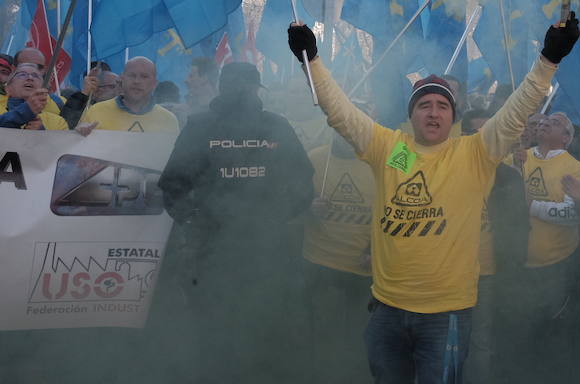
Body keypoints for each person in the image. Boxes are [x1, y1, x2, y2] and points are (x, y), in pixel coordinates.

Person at [287, 11, 579, 384]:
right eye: (424, 105)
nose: (433, 111)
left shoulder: (473, 153)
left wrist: (548, 60)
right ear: (411, 116)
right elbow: (341, 114)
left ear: (453, 116)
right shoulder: (394, 152)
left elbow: (517, 111)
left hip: (447, 314)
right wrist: (311, 62)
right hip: (387, 309)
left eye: (442, 106)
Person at [157, 61, 314, 383]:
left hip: (265, 254)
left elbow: (303, 183)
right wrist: (196, 220)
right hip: (210, 255)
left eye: (247, 86)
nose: (242, 92)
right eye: (237, 85)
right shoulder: (200, 126)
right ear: (223, 87)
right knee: (212, 334)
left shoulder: (277, 127)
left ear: (257, 89)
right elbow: (172, 184)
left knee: (263, 329)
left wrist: (275, 217)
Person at [514, 112, 580, 382]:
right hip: (518, 264)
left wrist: (531, 206)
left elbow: (573, 215)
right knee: (520, 328)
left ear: (567, 138)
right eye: (544, 120)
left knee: (551, 330)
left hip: (555, 267)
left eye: (556, 122)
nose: (546, 122)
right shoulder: (520, 157)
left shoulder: (574, 168)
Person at [459, 109, 527, 384]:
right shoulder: (445, 166)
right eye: (474, 133)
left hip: (487, 274)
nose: (482, 140)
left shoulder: (509, 177)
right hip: (446, 273)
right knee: (445, 340)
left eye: (487, 133)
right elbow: (396, 164)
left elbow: (519, 229)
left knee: (481, 341)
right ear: (463, 136)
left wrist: (514, 270)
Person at [303, 130, 376, 384]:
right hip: (322, 264)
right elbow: (292, 199)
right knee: (326, 335)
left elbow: (404, 202)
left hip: (365, 269)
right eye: (341, 130)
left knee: (362, 338)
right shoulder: (314, 158)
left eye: (352, 130)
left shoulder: (384, 159)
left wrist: (377, 250)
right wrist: (309, 206)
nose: (347, 136)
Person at [80, 57, 178, 133]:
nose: (137, 81)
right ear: (122, 79)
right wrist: (79, 136)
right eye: (132, 75)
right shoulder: (96, 112)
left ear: (155, 83)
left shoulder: (168, 120)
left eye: (144, 77)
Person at [0, 64, 68, 130]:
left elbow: (63, 150)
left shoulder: (58, 122)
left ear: (43, 88)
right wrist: (24, 112)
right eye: (22, 74)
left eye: (36, 76)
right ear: (8, 89)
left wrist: (41, 134)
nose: (30, 78)